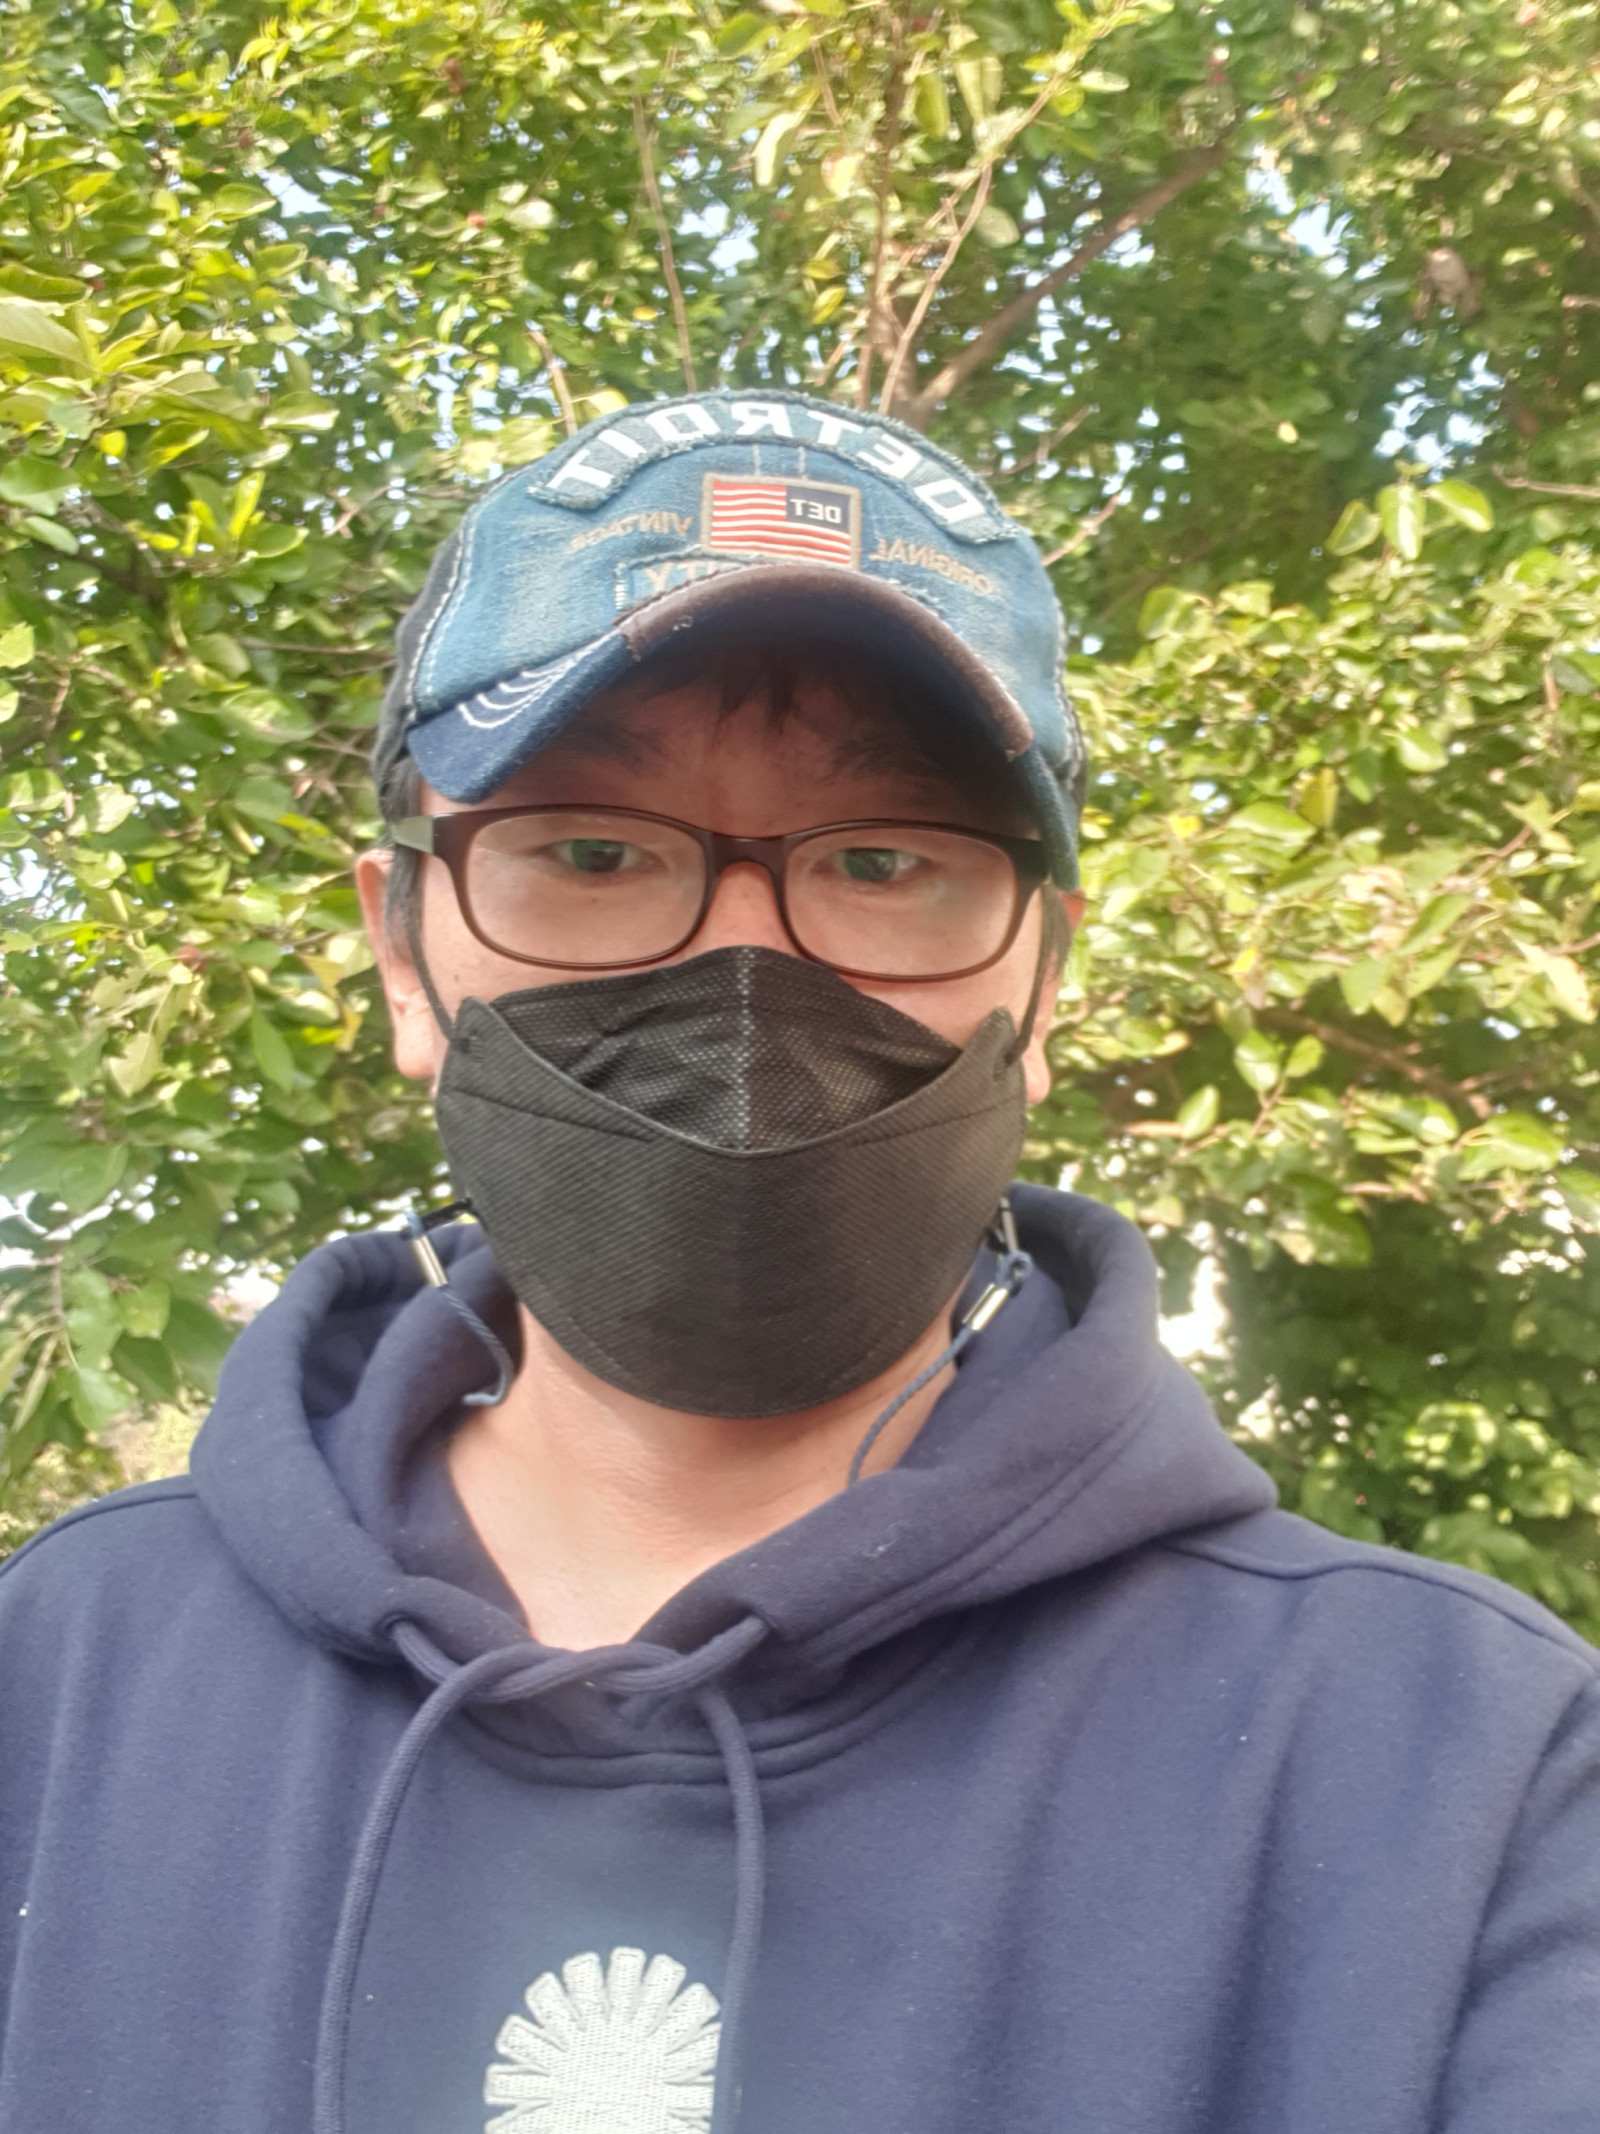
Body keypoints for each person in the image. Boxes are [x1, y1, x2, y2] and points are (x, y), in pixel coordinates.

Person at [1, 389, 1597, 2134]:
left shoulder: (1465, 1778)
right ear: (403, 953)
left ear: (1045, 980)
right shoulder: (59, 1674)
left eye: (885, 861)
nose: (748, 981)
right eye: (593, 851)